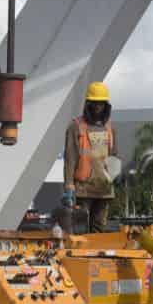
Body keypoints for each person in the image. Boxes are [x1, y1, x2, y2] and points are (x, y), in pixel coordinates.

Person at [62, 81, 117, 234]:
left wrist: (114, 179)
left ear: (106, 105)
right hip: (82, 189)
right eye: (95, 103)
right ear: (88, 104)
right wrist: (68, 185)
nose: (98, 107)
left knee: (99, 229)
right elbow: (70, 158)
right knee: (81, 229)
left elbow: (114, 156)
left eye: (101, 103)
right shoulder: (76, 126)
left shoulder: (110, 128)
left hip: (104, 189)